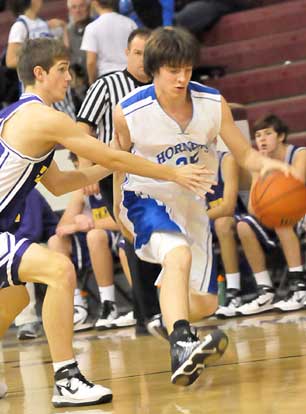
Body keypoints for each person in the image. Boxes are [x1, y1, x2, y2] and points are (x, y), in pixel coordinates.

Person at [0, 37, 213, 407]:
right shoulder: (45, 118)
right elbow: (111, 163)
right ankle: (66, 377)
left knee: (16, 294)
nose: (69, 78)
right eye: (63, 69)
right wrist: (169, 173)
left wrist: (116, 153)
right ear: (40, 73)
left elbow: (61, 182)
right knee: (58, 269)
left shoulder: (19, 116)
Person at [113, 27, 297, 387]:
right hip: (147, 198)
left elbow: (242, 153)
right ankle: (181, 343)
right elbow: (119, 161)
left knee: (207, 304)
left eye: (187, 69)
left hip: (192, 205)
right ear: (154, 70)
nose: (182, 78)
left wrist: (268, 167)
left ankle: (168, 321)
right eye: (172, 71)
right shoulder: (129, 112)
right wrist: (120, 207)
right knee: (177, 255)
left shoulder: (213, 103)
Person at [77, 28, 162, 334]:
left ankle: (156, 309)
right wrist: (85, 167)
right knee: (136, 236)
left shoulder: (161, 85)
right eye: (137, 53)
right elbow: (82, 127)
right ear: (127, 54)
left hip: (156, 172)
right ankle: (149, 314)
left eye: (147, 53)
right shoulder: (107, 84)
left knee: (162, 237)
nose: (142, 59)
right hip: (115, 175)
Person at [235, 114, 306, 315]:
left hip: (302, 212)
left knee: (281, 216)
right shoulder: (259, 163)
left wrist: (272, 194)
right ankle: (265, 290)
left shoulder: (300, 154)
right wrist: (261, 173)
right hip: (280, 217)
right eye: (258, 136)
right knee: (243, 225)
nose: (262, 140)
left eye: (268, 134)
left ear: (281, 136)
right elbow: (252, 208)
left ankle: (300, 287)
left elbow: (296, 189)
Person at [205, 149, 250, 318]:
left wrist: (196, 219)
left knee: (222, 224)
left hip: (236, 217)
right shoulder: (188, 166)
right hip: (207, 221)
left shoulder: (226, 160)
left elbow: (229, 207)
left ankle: (234, 291)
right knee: (178, 232)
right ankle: (200, 297)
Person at [14, 188, 59, 340]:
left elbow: (30, 233)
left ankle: (27, 322)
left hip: (47, 244)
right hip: (20, 244)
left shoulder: (27, 192)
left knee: (16, 260)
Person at [81, 0, 137, 84]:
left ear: (95, 2)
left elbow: (91, 62)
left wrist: (92, 83)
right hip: (130, 77)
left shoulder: (91, 28)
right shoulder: (130, 23)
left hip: (106, 79)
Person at [66, 0, 93, 76]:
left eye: (81, 6)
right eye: (74, 7)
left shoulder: (97, 27)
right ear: (70, 11)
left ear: (88, 7)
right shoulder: (67, 32)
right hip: (76, 83)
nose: (78, 10)